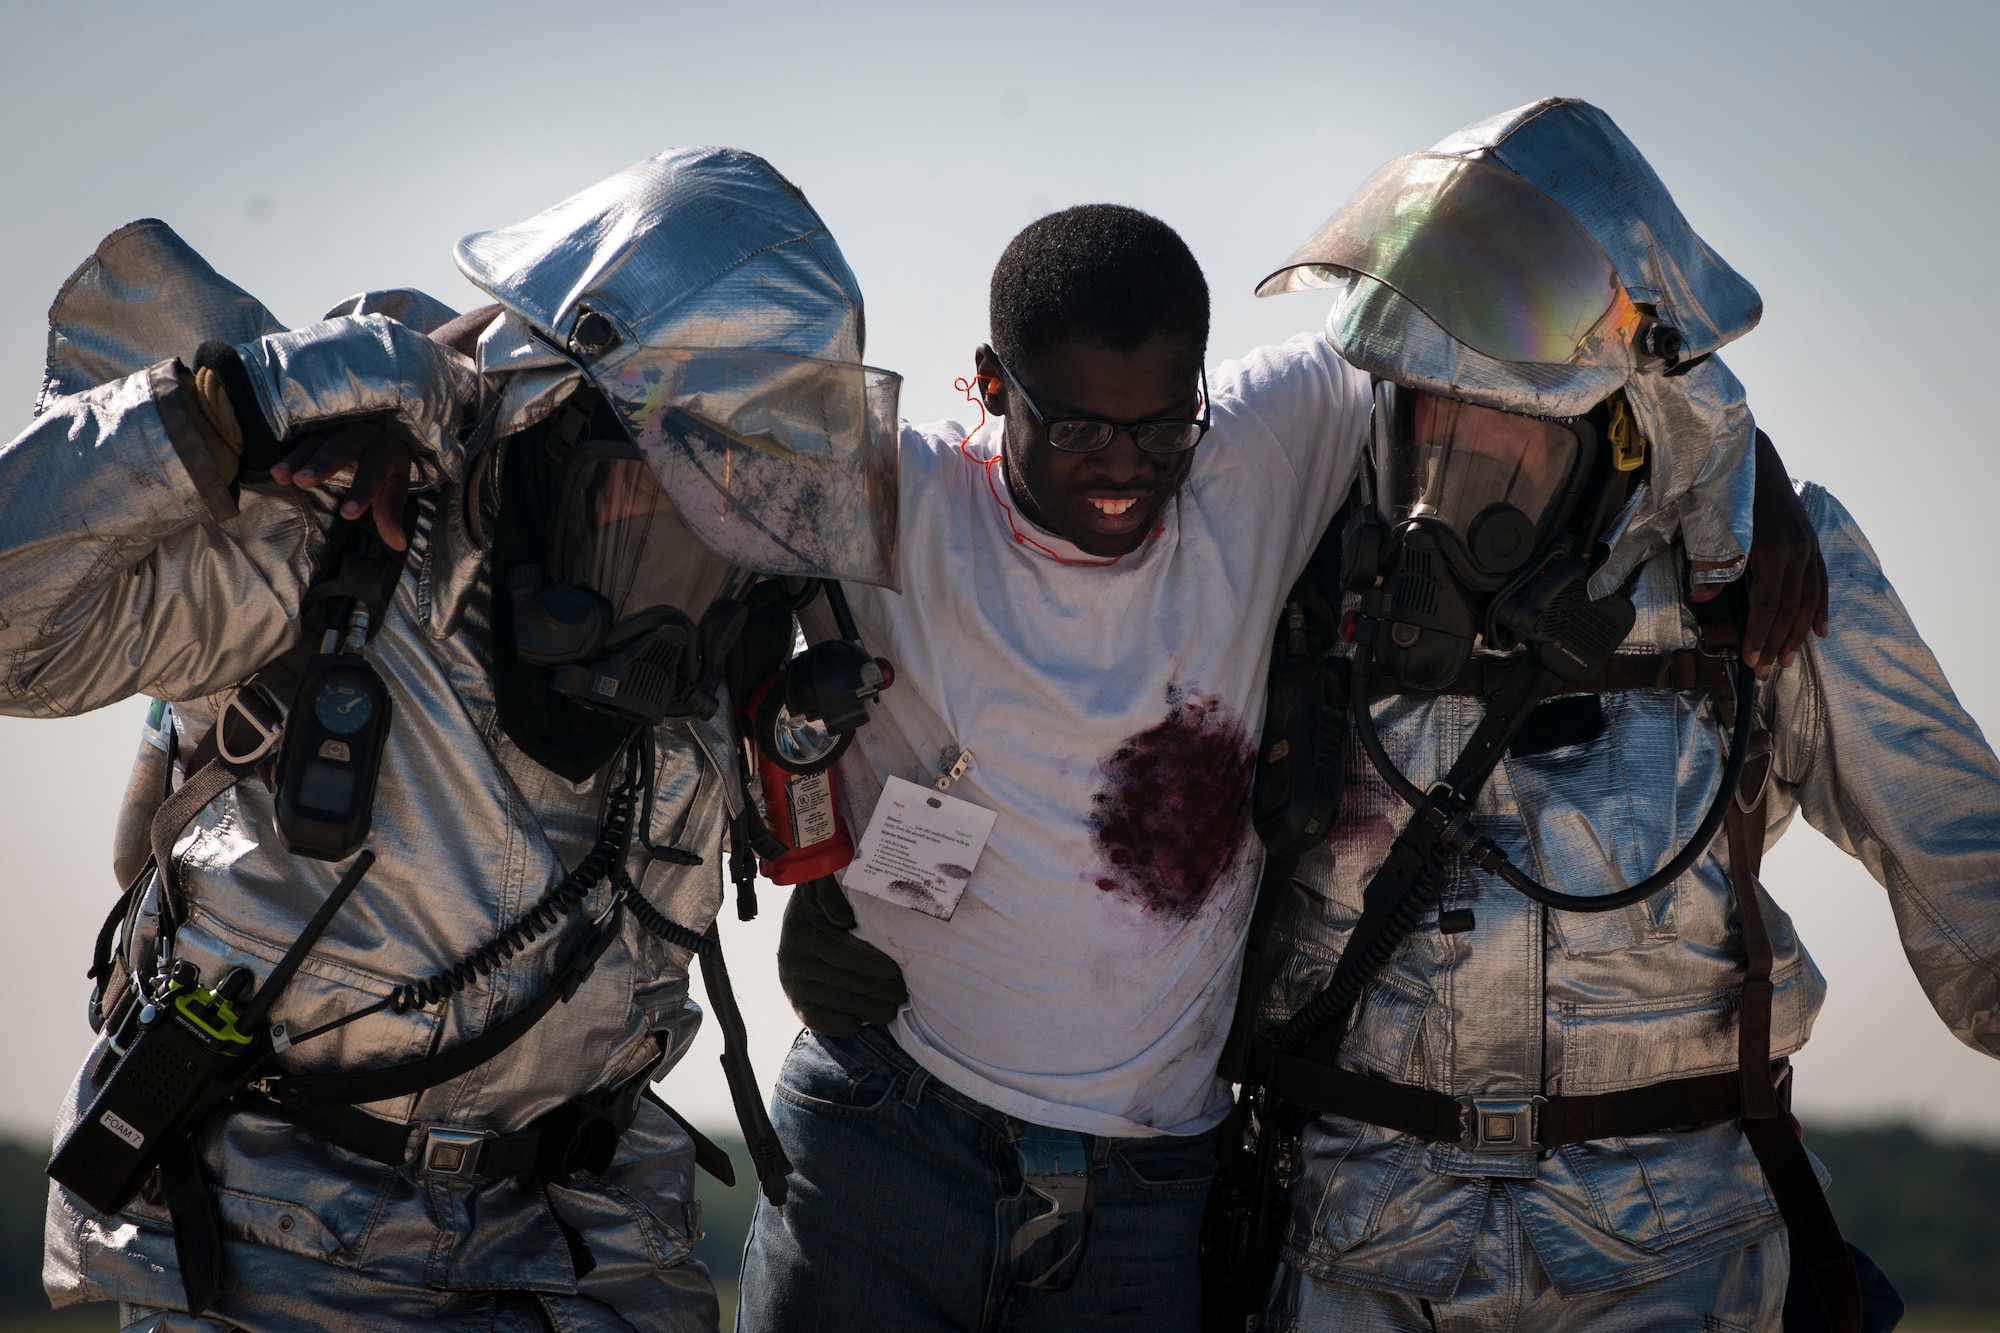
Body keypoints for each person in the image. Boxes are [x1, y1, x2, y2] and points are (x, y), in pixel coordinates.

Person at [746, 193, 1825, 1328]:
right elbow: (674, 439)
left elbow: (1523, 304)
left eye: (1161, 428)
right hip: (885, 1140)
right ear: (989, 378)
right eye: (1072, 430)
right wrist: (793, 843)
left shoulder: (1266, 444)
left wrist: (1738, 457)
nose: (1121, 468)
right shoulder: (885, 498)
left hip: (1146, 1188)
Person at [9, 147, 898, 1332]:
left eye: (744, 494)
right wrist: (241, 403)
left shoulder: (734, 626)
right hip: (266, 1264)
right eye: (672, 478)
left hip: (585, 1266)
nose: (711, 536)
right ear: (563, 418)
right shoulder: (328, 535)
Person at [1216, 97, 2000, 1333]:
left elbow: (1976, 884)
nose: (1442, 469)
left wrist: (1750, 483)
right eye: (1423, 414)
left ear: (1608, 426)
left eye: (1501, 424)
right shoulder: (1286, 540)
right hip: (1352, 1256)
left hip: (1676, 1267)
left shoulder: (1764, 580)